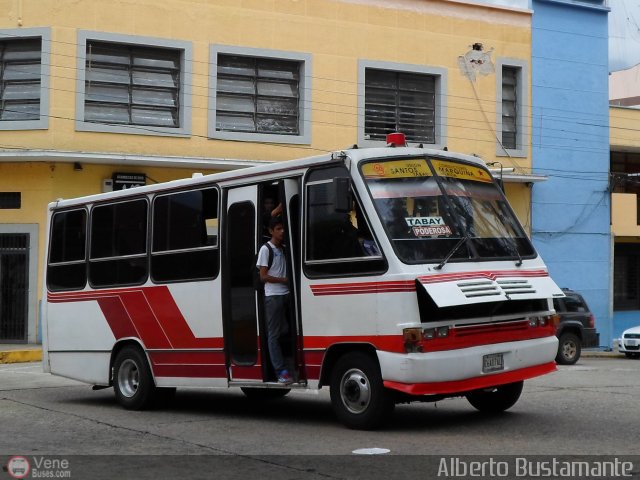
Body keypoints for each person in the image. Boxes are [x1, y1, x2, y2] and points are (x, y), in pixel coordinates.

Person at [257, 216, 292, 385]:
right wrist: (283, 280)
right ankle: (280, 371)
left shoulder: (284, 248)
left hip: (286, 294)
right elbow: (263, 276)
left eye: (283, 228)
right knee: (274, 334)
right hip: (273, 296)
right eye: (278, 229)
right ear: (271, 231)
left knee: (285, 329)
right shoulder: (266, 249)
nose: (282, 231)